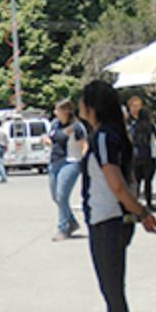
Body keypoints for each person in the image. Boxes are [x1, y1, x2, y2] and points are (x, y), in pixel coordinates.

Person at [77, 80, 156, 312]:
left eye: (83, 101)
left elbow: (117, 184)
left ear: (92, 107)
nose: (79, 105)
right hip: (113, 220)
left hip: (108, 220)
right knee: (112, 289)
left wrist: (141, 212)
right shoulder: (113, 135)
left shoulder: (103, 138)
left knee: (112, 290)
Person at [45, 99, 89, 241]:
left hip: (71, 161)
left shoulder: (76, 127)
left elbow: (84, 145)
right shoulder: (54, 124)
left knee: (62, 195)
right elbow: (50, 138)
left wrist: (84, 161)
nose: (55, 113)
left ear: (66, 111)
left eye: (57, 110)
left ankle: (62, 228)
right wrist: (46, 141)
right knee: (55, 196)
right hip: (54, 161)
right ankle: (72, 222)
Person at [126, 97, 156, 211]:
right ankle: (148, 203)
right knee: (147, 181)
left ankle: (135, 204)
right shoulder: (149, 125)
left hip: (136, 155)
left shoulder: (132, 125)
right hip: (147, 154)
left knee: (137, 182)